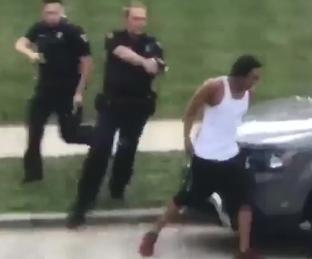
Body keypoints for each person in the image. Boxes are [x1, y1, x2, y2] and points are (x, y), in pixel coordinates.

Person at [138, 55, 263, 259]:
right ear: (240, 76)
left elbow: (232, 122)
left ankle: (244, 251)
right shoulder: (215, 87)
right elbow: (190, 112)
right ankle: (153, 234)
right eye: (253, 78)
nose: (255, 83)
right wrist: (187, 138)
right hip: (206, 157)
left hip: (231, 156)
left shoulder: (249, 95)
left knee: (245, 201)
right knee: (186, 198)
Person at [66, 2, 167, 228]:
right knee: (100, 149)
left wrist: (152, 63)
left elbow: (158, 67)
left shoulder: (153, 43)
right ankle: (83, 203)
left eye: (142, 19)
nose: (139, 23)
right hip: (112, 106)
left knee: (127, 149)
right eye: (135, 18)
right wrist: (143, 61)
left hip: (138, 107)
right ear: (126, 20)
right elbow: (122, 53)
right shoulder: (115, 37)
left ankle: (117, 188)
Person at [15, 0, 93, 183]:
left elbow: (87, 63)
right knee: (34, 131)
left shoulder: (73, 32)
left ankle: (99, 139)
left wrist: (80, 92)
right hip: (44, 91)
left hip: (67, 92)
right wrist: (30, 54)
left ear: (62, 12)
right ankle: (32, 175)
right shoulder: (39, 28)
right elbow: (20, 43)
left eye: (55, 12)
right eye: (48, 13)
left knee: (70, 134)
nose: (51, 16)